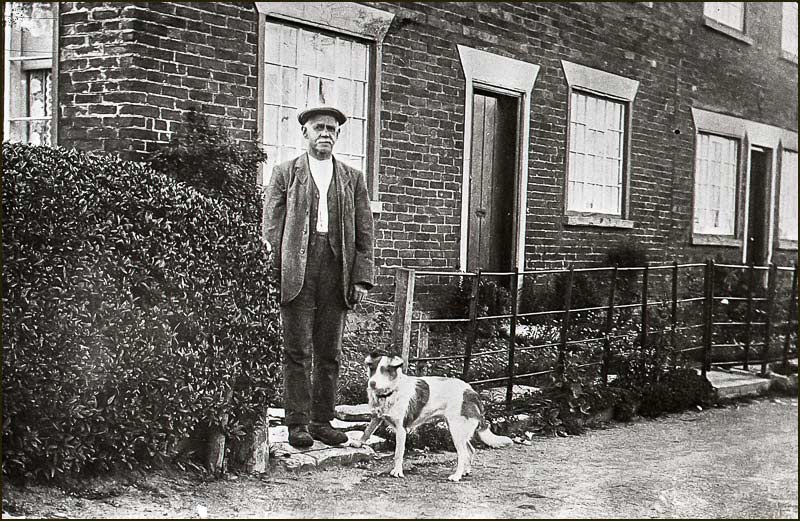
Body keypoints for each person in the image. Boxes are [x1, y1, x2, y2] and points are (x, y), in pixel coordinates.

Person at [263, 105, 375, 448]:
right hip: (297, 270)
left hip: (336, 269)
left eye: (331, 128)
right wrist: (272, 275)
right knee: (297, 350)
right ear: (305, 133)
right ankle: (296, 423)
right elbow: (271, 227)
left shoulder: (352, 178)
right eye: (318, 128)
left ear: (338, 135)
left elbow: (365, 232)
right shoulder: (285, 173)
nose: (325, 133)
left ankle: (322, 421)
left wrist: (360, 278)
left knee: (330, 350)